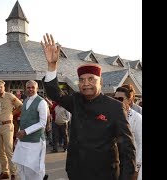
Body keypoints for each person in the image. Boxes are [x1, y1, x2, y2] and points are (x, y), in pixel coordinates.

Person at [41, 33, 136, 179]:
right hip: (76, 172)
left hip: (104, 174)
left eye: (91, 79)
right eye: (82, 80)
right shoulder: (76, 100)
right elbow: (55, 94)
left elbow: (127, 149)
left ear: (101, 82)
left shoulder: (115, 107)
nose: (86, 83)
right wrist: (52, 65)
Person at [11, 80, 48, 180]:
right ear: (25, 89)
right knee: (22, 166)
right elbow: (23, 120)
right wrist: (18, 137)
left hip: (35, 140)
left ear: (37, 88)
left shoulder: (42, 102)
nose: (30, 89)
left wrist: (25, 131)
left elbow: (42, 123)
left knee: (33, 168)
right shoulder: (25, 101)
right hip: (23, 140)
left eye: (32, 87)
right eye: (28, 87)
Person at [0, 80, 23, 180]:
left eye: (0, 87)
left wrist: (12, 113)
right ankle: (5, 172)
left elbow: (20, 106)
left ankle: (13, 173)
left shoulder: (10, 96)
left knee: (8, 150)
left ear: (4, 86)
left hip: (7, 125)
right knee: (0, 151)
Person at [114, 87, 142, 180]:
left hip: (130, 165)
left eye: (120, 99)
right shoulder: (111, 116)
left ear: (129, 100)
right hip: (114, 164)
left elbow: (141, 144)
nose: (117, 101)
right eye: (115, 98)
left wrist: (136, 169)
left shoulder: (137, 118)